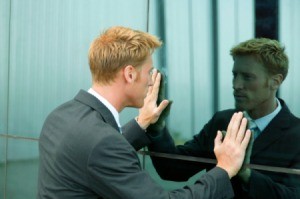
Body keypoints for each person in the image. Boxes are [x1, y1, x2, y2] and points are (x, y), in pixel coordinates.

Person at [37, 26, 251, 199]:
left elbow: (92, 156)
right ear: (129, 74)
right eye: (149, 72)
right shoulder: (103, 143)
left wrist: (142, 123)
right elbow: (102, 149)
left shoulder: (60, 115)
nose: (151, 81)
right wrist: (224, 168)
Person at [139, 38, 300, 199]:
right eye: (235, 75)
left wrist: (246, 175)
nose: (236, 85)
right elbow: (173, 169)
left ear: (275, 82)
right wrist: (156, 127)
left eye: (247, 77)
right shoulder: (222, 120)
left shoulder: (297, 135)